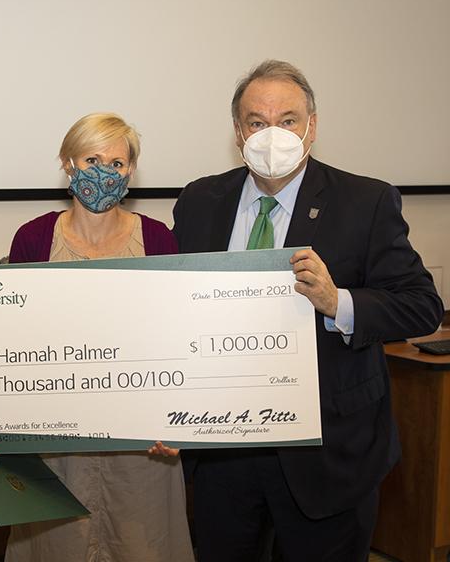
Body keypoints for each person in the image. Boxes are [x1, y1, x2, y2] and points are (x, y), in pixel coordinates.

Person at [168, 60, 444, 561]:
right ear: (237, 132)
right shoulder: (199, 201)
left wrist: (339, 302)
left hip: (328, 452)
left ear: (312, 127)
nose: (272, 134)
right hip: (222, 453)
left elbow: (422, 305)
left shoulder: (366, 200)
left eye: (288, 120)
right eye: (257, 122)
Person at [3, 112, 195, 562]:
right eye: (92, 158)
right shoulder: (32, 239)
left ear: (131, 171)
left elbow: (179, 336)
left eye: (118, 162)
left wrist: (181, 418)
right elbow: (9, 343)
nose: (104, 172)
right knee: (56, 545)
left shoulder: (158, 239)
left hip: (143, 443)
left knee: (144, 544)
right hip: (55, 439)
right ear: (68, 163)